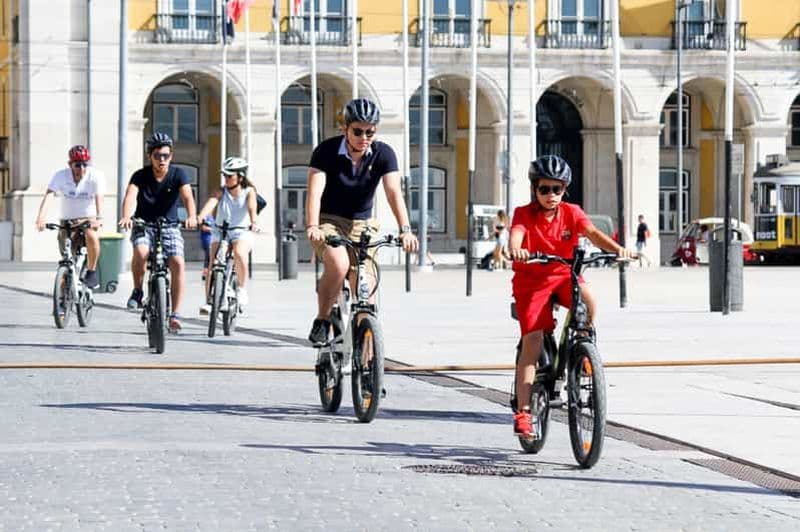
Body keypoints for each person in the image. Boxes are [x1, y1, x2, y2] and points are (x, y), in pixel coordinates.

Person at [507, 155, 635, 438]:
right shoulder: (523, 214)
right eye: (544, 189)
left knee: (588, 297)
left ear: (565, 189)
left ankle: (584, 346)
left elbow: (592, 233)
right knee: (533, 341)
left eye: (557, 189)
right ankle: (524, 413)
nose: (551, 195)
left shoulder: (572, 212)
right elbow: (515, 235)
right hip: (532, 281)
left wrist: (619, 249)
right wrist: (516, 249)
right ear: (534, 189)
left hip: (564, 275)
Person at [305, 97, 419, 346]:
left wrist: (406, 230)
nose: (364, 137)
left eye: (370, 132)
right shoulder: (326, 151)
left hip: (363, 224)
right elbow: (314, 191)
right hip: (329, 221)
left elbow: (393, 193)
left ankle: (367, 358)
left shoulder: (384, 153)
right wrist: (312, 226)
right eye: (358, 131)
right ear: (345, 128)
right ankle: (323, 320)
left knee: (365, 284)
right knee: (338, 263)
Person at [118, 132, 197, 332]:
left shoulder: (179, 174)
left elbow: (188, 197)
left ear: (171, 156)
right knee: (142, 252)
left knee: (178, 262)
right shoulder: (140, 175)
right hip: (144, 224)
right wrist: (127, 216)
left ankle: (176, 314)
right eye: (157, 156)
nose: (162, 160)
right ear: (149, 156)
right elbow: (130, 196)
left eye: (166, 156)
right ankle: (137, 291)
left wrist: (192, 216)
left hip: (169, 225)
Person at [35, 145, 105, 289]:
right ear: (70, 164)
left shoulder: (95, 176)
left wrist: (99, 217)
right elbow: (49, 195)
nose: (82, 169)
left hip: (87, 218)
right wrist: (41, 217)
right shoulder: (61, 175)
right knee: (66, 260)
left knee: (92, 235)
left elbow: (99, 197)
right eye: (77, 165)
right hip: (67, 221)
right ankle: (61, 304)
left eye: (85, 164)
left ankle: (91, 271)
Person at [197, 156, 259, 315]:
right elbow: (211, 203)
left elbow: (252, 208)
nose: (226, 178)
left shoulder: (249, 191)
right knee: (213, 263)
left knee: (239, 253)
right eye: (224, 175)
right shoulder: (221, 190)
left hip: (242, 230)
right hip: (220, 230)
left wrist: (254, 222)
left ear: (240, 176)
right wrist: (200, 216)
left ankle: (241, 288)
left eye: (229, 175)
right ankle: (209, 302)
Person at [199, 213, 215, 281]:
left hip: (212, 240)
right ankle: (206, 273)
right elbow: (203, 227)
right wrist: (213, 230)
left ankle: (206, 273)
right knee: (209, 257)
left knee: (208, 257)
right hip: (207, 240)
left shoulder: (216, 216)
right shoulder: (207, 216)